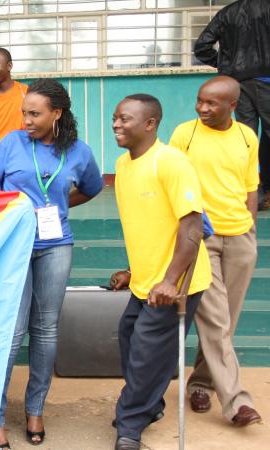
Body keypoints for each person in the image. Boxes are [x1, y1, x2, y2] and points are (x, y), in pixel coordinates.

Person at [0, 78, 103, 448]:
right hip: (14, 246)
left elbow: (92, 188)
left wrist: (57, 208)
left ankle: (35, 409)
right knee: (13, 331)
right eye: (24, 112)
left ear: (57, 114)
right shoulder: (10, 143)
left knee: (46, 329)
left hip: (55, 244)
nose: (26, 120)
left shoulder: (79, 151)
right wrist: (17, 211)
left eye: (35, 113)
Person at [108, 94, 211, 450]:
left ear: (150, 124)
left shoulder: (170, 162)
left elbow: (192, 228)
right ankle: (149, 405)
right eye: (115, 118)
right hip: (145, 279)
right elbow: (147, 225)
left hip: (175, 282)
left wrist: (171, 281)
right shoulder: (123, 165)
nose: (116, 125)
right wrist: (132, 270)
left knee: (147, 352)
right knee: (129, 336)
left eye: (125, 119)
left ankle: (131, 424)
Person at [168, 76, 261, 427]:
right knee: (217, 320)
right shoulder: (184, 134)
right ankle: (237, 403)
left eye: (212, 103)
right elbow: (171, 181)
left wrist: (248, 225)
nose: (202, 108)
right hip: (201, 238)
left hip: (239, 237)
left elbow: (251, 186)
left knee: (227, 321)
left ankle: (201, 385)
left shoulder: (246, 136)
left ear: (232, 106)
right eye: (200, 100)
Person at [194, 0, 270, 210]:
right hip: (267, 82)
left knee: (246, 137)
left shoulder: (228, 12)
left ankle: (255, 195)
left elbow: (201, 46)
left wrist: (226, 64)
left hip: (237, 85)